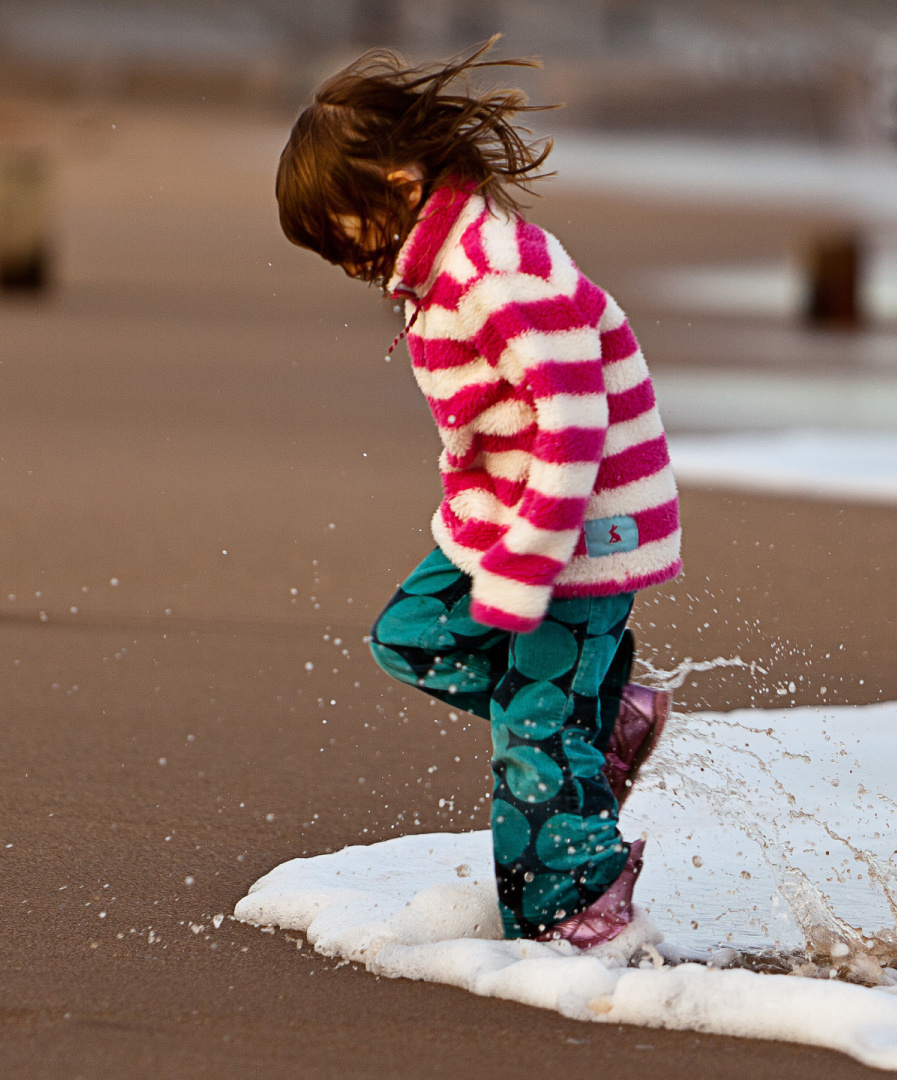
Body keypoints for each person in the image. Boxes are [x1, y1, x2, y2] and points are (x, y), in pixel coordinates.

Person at [274, 42, 681, 956]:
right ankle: (605, 715)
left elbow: (573, 420)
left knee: (534, 734)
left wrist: (529, 566)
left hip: (578, 537)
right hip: (500, 524)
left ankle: (582, 908)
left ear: (400, 177)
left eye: (344, 232)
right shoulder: (441, 264)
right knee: (411, 637)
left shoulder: (500, 274)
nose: (346, 260)